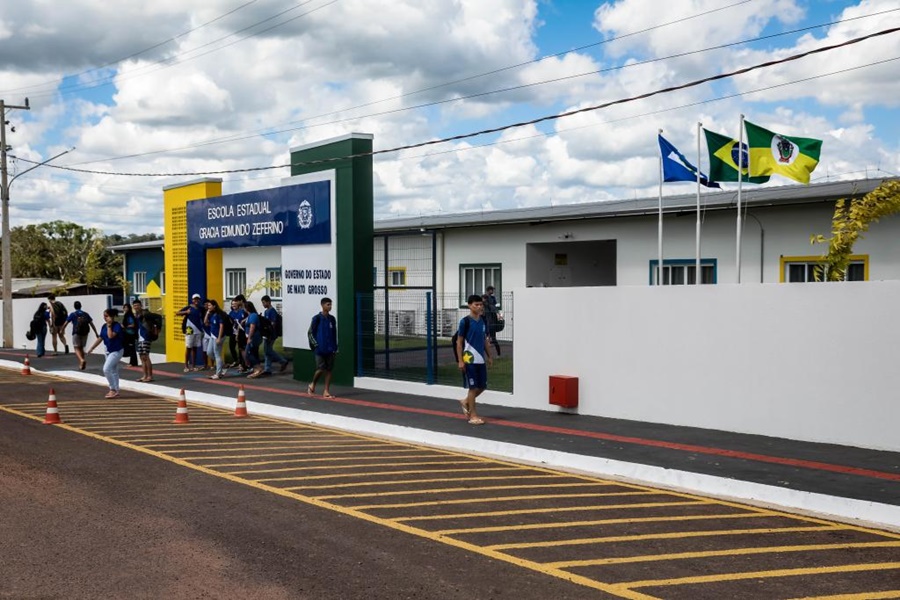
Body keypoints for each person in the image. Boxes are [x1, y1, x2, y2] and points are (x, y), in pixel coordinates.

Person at [456, 294, 493, 425]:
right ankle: (473, 416)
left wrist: (489, 356)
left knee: (482, 386)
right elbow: (459, 343)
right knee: (473, 388)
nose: (479, 307)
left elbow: (484, 341)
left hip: (480, 359)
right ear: (469, 306)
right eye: (476, 305)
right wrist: (460, 360)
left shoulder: (482, 321)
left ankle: (466, 401)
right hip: (469, 359)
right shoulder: (464, 322)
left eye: (480, 304)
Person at [86, 308, 124, 398]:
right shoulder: (104, 326)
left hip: (116, 350)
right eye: (104, 316)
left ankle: (112, 389)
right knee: (113, 370)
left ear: (112, 317)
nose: (105, 318)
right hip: (108, 350)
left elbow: (110, 336)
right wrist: (92, 347)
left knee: (106, 369)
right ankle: (116, 390)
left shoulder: (116, 326)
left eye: (107, 316)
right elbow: (101, 337)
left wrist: (109, 326)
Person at [306, 297, 337, 398]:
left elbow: (334, 333)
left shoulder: (332, 319)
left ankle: (326, 391)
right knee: (320, 368)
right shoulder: (316, 318)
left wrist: (334, 346)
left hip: (330, 349)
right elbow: (310, 333)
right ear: (322, 305)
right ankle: (312, 384)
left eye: (330, 304)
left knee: (329, 370)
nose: (330, 306)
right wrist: (316, 345)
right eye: (328, 304)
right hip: (320, 349)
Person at [62, 301, 99, 371]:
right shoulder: (85, 314)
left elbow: (66, 323)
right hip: (85, 333)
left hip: (76, 332)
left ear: (74, 307)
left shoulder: (73, 314)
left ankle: (81, 360)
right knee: (81, 348)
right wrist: (96, 333)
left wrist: (62, 330)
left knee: (76, 348)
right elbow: (91, 324)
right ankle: (82, 364)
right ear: (81, 306)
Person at [176, 293, 205, 372]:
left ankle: (194, 365)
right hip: (189, 329)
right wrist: (186, 312)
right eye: (195, 299)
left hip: (198, 330)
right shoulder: (189, 307)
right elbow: (177, 313)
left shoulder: (200, 308)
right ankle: (186, 365)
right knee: (188, 347)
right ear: (192, 300)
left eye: (197, 299)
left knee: (195, 348)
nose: (196, 301)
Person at [261, 295, 289, 374]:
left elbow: (273, 323)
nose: (263, 304)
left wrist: (269, 330)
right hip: (267, 333)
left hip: (271, 334)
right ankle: (267, 368)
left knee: (268, 350)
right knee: (267, 351)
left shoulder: (272, 311)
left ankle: (282, 361)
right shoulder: (266, 311)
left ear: (268, 302)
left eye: (264, 303)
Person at [204, 299, 228, 379]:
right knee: (209, 352)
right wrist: (207, 313)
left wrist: (219, 338)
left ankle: (218, 374)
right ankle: (221, 366)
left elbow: (221, 326)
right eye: (208, 305)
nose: (208, 307)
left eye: (210, 305)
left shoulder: (219, 315)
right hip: (212, 335)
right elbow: (205, 322)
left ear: (214, 306)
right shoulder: (211, 314)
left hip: (218, 336)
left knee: (217, 354)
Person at [132, 300, 155, 382]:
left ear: (141, 305)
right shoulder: (137, 315)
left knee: (146, 356)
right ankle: (144, 375)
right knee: (142, 357)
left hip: (146, 337)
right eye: (134, 305)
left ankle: (150, 376)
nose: (136, 307)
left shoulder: (145, 313)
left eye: (137, 305)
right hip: (140, 337)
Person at [227, 295, 249, 372]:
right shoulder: (231, 313)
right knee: (231, 346)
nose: (233, 305)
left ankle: (242, 363)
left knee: (241, 348)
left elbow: (247, 317)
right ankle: (236, 360)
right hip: (234, 332)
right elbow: (229, 322)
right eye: (232, 304)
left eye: (235, 304)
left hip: (241, 332)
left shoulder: (242, 311)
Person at [243, 300, 264, 378]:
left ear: (247, 308)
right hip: (252, 337)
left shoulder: (253, 315)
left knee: (248, 353)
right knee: (254, 353)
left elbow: (252, 327)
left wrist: (249, 338)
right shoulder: (250, 315)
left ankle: (258, 368)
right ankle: (256, 369)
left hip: (254, 337)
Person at [482, 285, 502, 356]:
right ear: (488, 290)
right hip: (485, 320)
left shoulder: (492, 298)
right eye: (492, 290)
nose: (493, 291)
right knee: (484, 339)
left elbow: (494, 307)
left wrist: (498, 313)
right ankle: (485, 355)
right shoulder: (484, 298)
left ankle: (498, 354)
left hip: (491, 321)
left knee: (493, 338)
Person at [121, 302, 139, 367]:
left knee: (132, 348)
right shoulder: (127, 315)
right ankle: (132, 362)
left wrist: (125, 326)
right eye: (124, 307)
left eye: (126, 307)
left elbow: (133, 324)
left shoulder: (129, 316)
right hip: (128, 333)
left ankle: (133, 362)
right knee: (131, 348)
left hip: (130, 334)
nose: (125, 309)